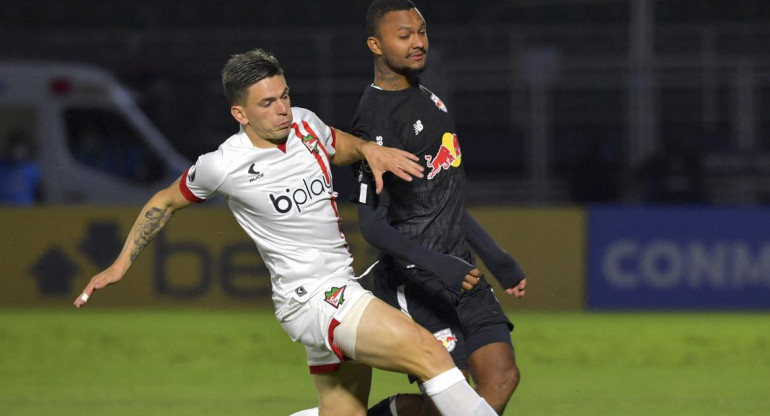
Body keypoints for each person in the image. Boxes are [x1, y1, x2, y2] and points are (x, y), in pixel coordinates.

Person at [73, 48, 501, 416]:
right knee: (429, 353)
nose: (282, 109)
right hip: (315, 300)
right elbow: (164, 201)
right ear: (239, 113)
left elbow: (338, 142)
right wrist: (119, 264)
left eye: (284, 96)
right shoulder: (222, 165)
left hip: (336, 287)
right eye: (267, 104)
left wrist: (368, 149)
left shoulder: (304, 125)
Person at [351, 1, 528, 415]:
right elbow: (371, 225)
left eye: (422, 32)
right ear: (376, 45)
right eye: (405, 35)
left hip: (461, 270)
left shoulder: (430, 99)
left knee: (502, 378)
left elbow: (441, 200)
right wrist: (436, 264)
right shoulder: (375, 120)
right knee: (455, 402)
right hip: (416, 281)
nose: (419, 43)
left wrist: (497, 259)